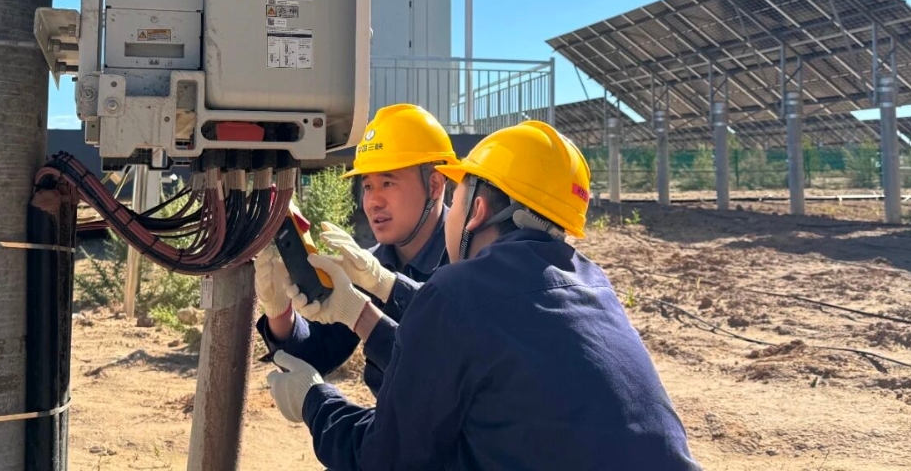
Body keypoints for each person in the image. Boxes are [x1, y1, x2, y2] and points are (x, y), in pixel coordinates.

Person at [268, 120, 702, 470]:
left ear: (475, 209)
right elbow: (470, 347)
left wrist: (315, 401)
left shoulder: (456, 288)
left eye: (457, 197)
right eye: (368, 185)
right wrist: (359, 307)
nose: (374, 199)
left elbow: (386, 458)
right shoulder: (593, 284)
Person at [254, 103, 456, 396]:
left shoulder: (473, 256)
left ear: (435, 185)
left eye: (387, 182)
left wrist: (381, 289)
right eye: (368, 186)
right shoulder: (369, 265)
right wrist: (279, 312)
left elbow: (457, 359)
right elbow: (318, 354)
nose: (373, 201)